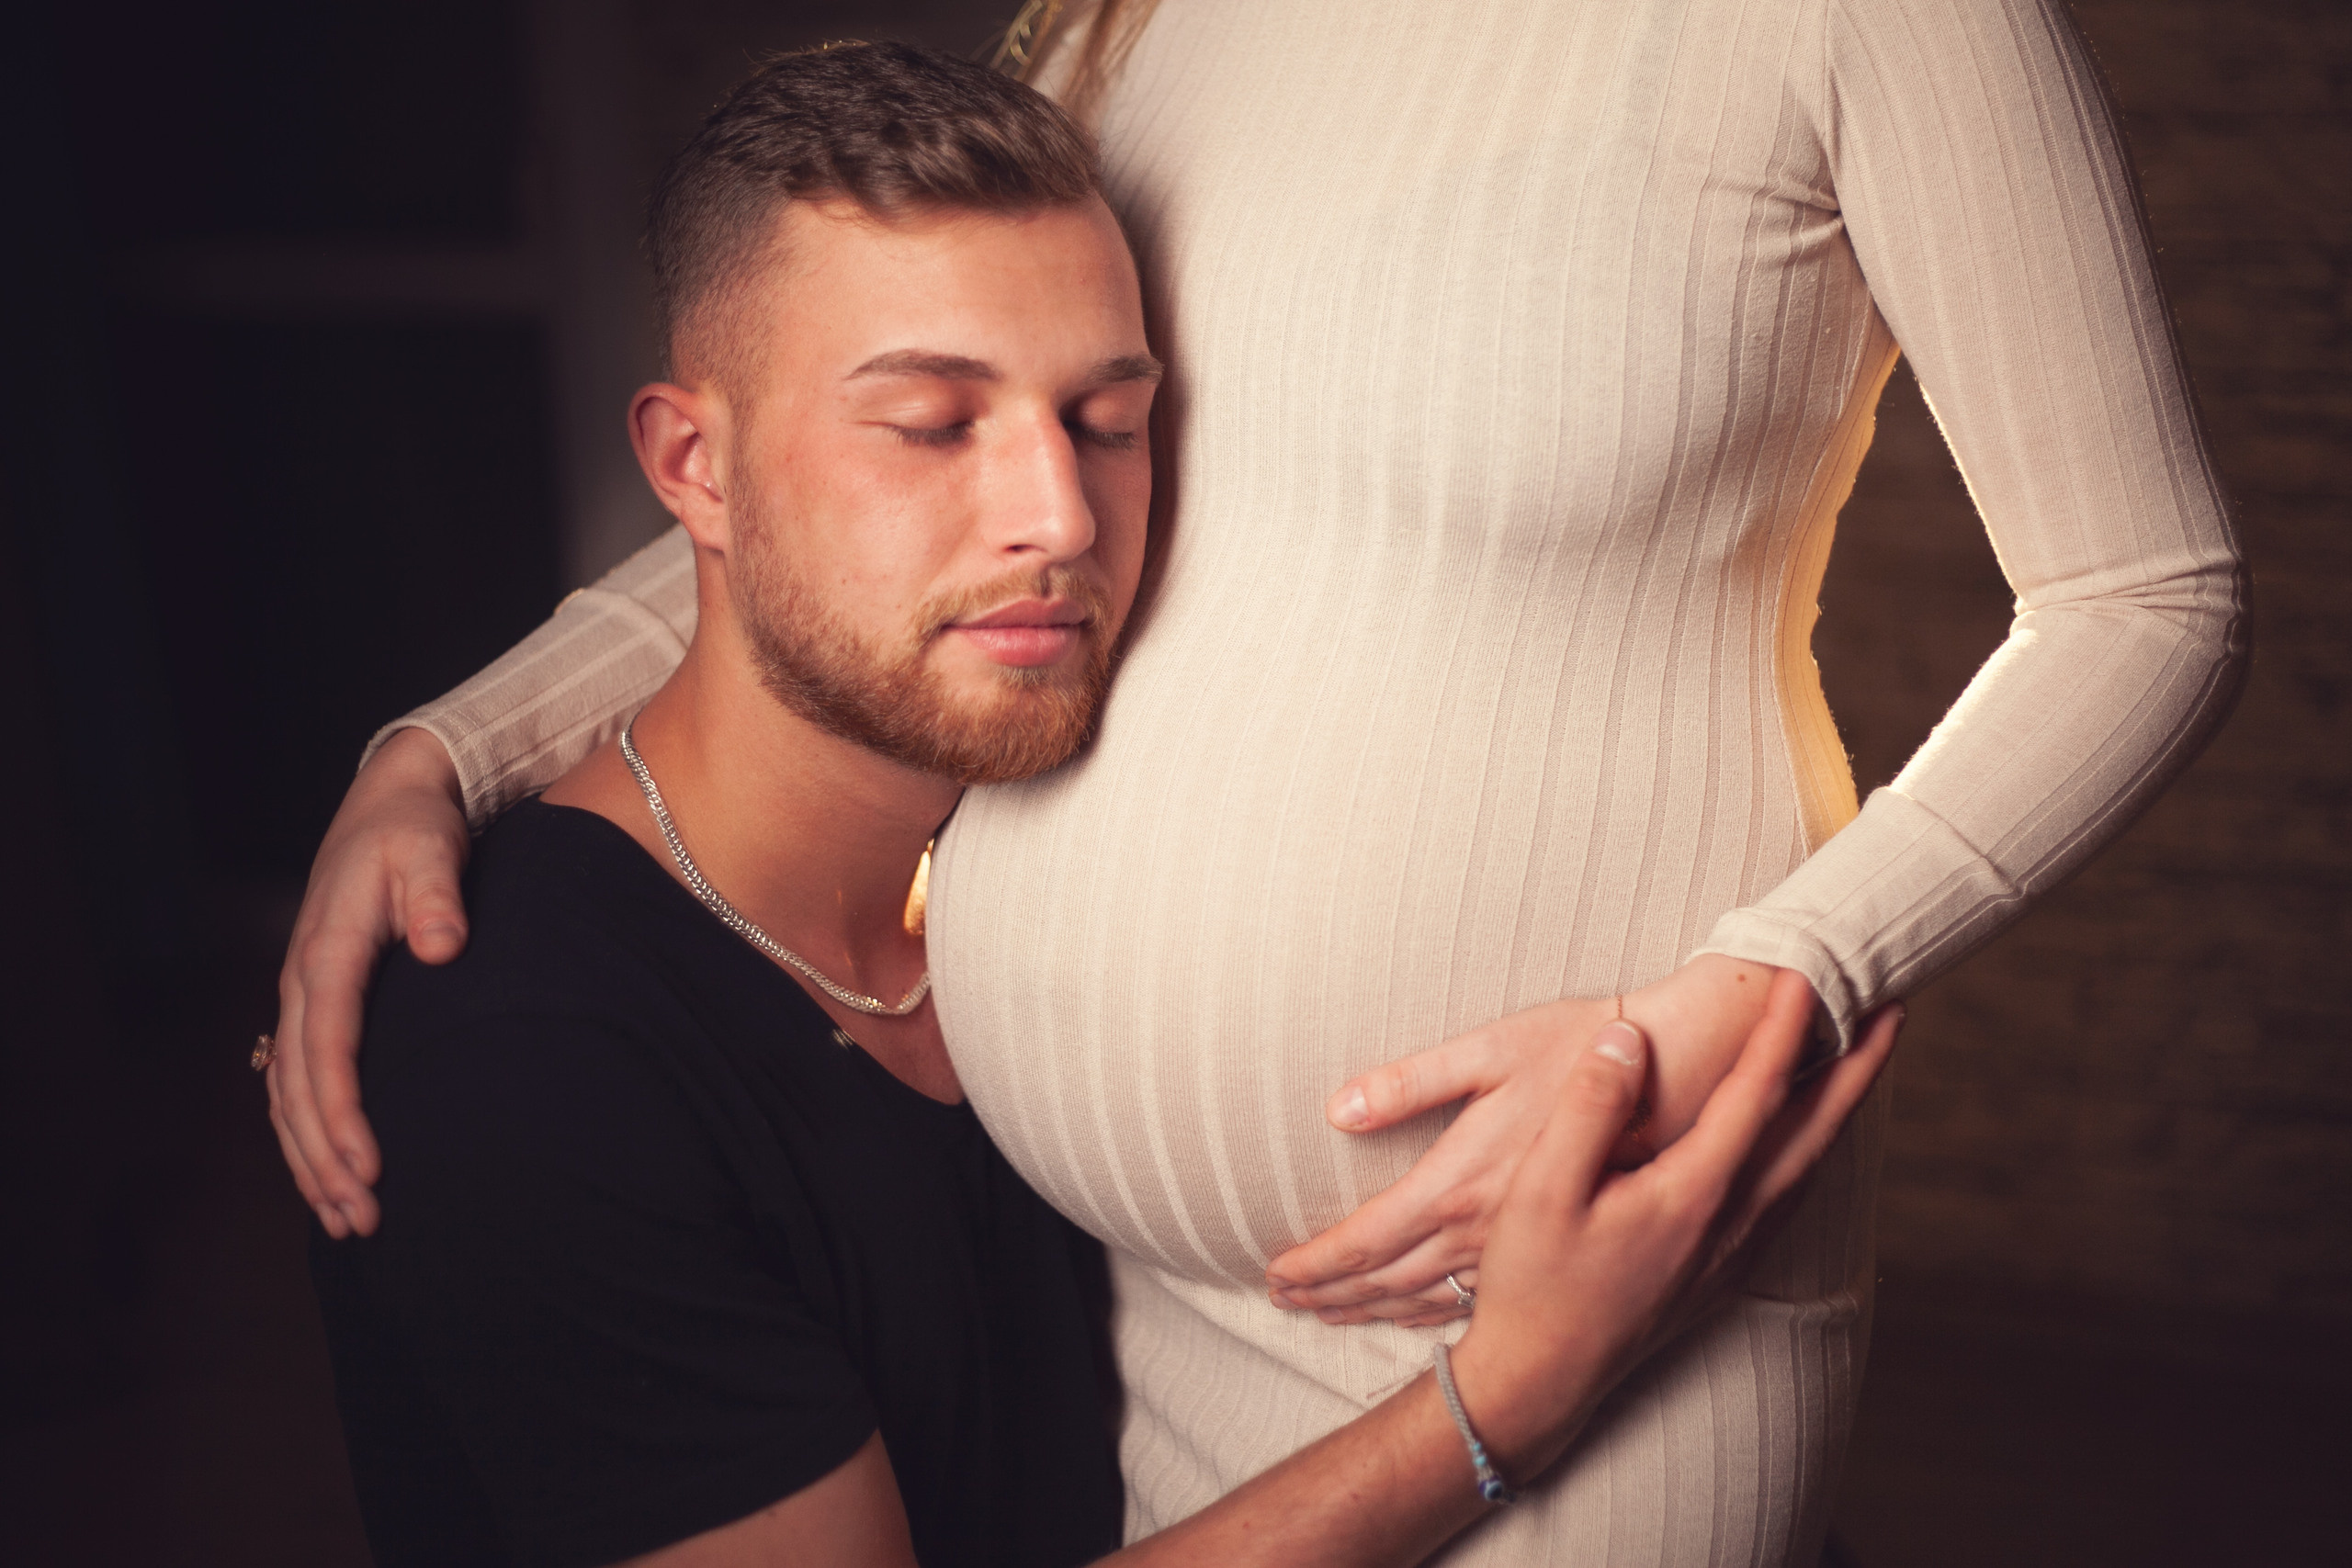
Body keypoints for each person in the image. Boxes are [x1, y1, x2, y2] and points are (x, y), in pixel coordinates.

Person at [270, 2, 2244, 1562]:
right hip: (1140, 1293)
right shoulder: (1130, 20)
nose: (1054, 492)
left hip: (1585, 1256)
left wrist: (1775, 978)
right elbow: (858, 446)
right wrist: (449, 743)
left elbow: (2148, 595)